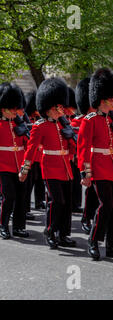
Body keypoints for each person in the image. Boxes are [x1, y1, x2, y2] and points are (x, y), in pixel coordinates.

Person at [78, 68, 113, 260]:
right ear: (102, 100)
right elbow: (83, 148)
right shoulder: (89, 121)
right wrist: (86, 173)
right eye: (111, 99)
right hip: (99, 167)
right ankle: (94, 240)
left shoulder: (111, 121)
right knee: (106, 204)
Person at [19, 78, 77, 249]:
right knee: (56, 201)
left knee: (67, 203)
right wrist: (25, 168)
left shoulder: (62, 124)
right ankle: (50, 231)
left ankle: (64, 234)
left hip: (65, 167)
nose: (62, 110)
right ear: (50, 108)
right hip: (50, 168)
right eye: (58, 107)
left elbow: (71, 146)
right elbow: (31, 149)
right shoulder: (40, 126)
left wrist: (72, 143)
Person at [0, 82, 29, 239]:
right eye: (12, 108)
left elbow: (26, 145)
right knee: (8, 196)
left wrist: (26, 166)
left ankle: (18, 227)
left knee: (21, 197)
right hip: (3, 166)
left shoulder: (19, 124)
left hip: (20, 165)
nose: (15, 111)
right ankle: (3, 225)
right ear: (3, 108)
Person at [72, 78, 100, 235]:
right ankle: (86, 218)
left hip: (98, 161)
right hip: (82, 161)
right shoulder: (78, 122)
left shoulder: (100, 119)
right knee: (90, 192)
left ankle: (93, 218)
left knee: (96, 195)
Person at [23, 91, 46, 218]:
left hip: (40, 156)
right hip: (31, 156)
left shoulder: (38, 120)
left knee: (40, 181)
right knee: (28, 183)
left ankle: (39, 201)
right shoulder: (28, 120)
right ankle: (25, 207)